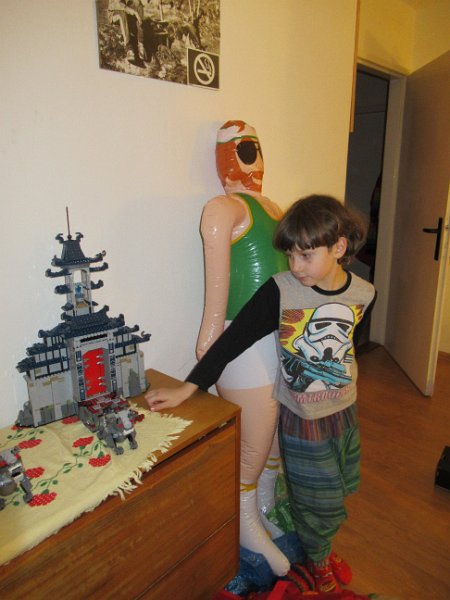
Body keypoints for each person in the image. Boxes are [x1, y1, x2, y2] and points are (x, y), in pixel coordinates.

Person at [146, 195, 376, 593]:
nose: (295, 267)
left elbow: (347, 347)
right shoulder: (281, 292)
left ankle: (319, 545)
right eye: (290, 255)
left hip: (344, 412)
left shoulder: (365, 293)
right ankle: (319, 558)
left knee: (338, 489)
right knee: (317, 498)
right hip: (302, 418)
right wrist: (188, 387)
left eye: (305, 255)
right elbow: (231, 341)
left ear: (338, 247)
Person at [196, 120, 290, 576]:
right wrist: (210, 337)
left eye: (255, 148)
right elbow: (217, 280)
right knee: (255, 434)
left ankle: (265, 507)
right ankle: (246, 523)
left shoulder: (274, 208)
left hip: (278, 333)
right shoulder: (223, 208)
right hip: (242, 338)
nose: (254, 161)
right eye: (245, 149)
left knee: (274, 431)